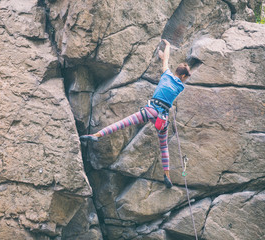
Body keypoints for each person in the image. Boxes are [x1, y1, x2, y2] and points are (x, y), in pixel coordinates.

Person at [80, 39, 191, 188]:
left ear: (177, 72)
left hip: (150, 109)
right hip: (161, 119)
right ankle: (167, 175)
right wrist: (164, 55)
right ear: (183, 77)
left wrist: (167, 47)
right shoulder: (180, 87)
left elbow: (166, 61)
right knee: (163, 147)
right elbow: (167, 62)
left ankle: (96, 135)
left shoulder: (166, 75)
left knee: (123, 123)